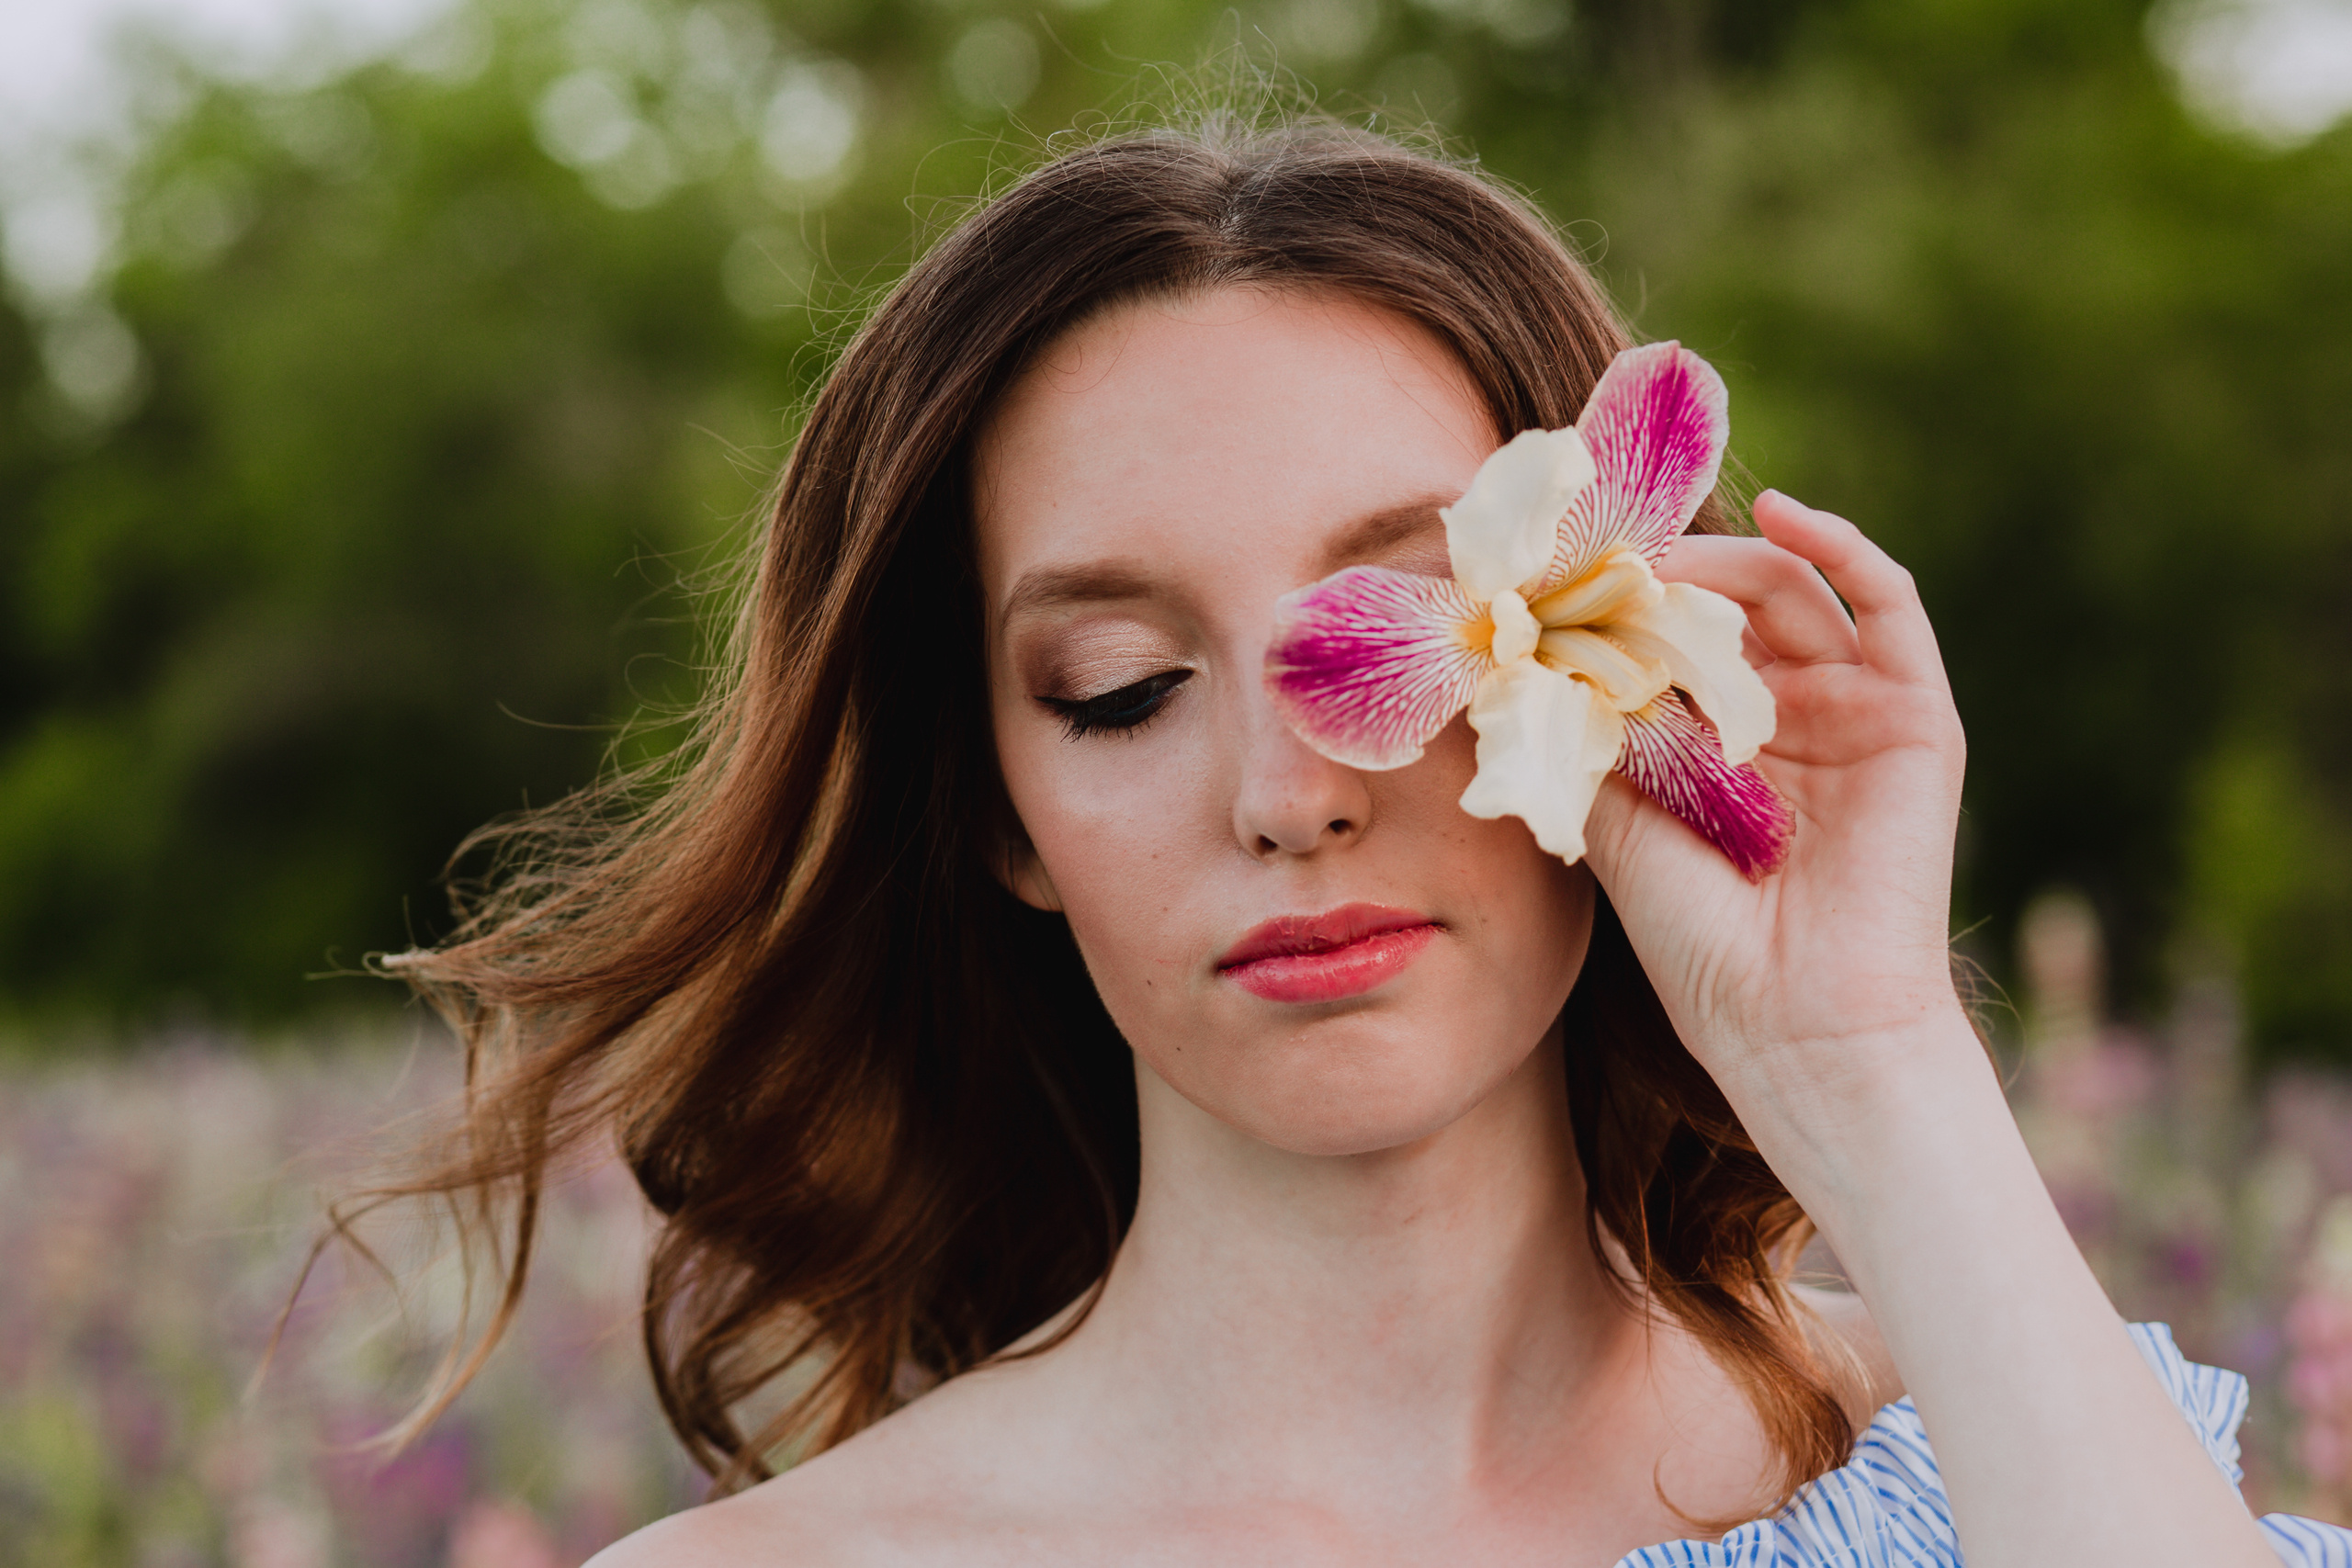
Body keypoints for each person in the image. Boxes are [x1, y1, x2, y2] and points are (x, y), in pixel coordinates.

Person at [368, 122, 2349, 1566]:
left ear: (1625, 651)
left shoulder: (2034, 1462)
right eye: (1124, 685)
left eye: (1427, 633)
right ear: (995, 811)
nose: (1290, 789)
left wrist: (1867, 1057)